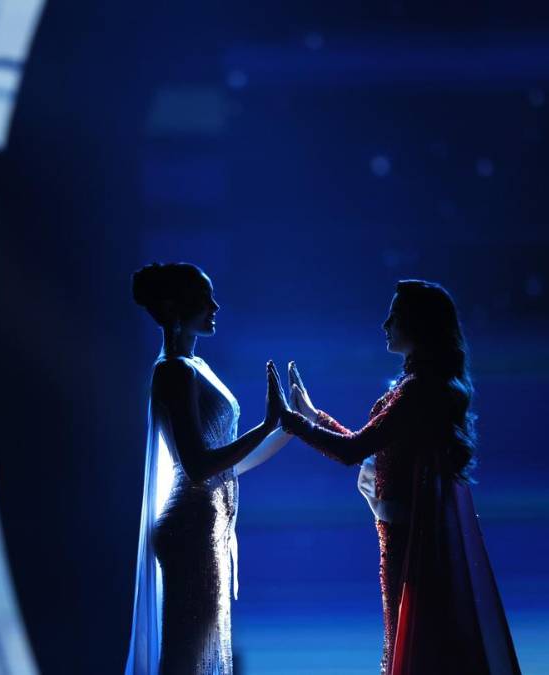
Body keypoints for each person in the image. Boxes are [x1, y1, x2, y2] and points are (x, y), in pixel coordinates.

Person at [281, 280, 520, 675]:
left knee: (415, 652)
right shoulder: (415, 387)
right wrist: (312, 417)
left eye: (395, 315)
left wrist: (295, 424)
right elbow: (368, 447)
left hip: (411, 550)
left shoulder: (417, 392)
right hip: (401, 548)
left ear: (418, 324)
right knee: (407, 648)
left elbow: (353, 451)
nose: (385, 323)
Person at [126, 262, 290, 675]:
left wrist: (287, 429)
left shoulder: (195, 368)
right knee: (184, 662)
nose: (215, 306)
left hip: (204, 529)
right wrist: (267, 426)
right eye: (204, 298)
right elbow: (198, 466)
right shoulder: (172, 372)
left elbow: (230, 467)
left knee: (193, 659)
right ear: (177, 307)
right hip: (190, 531)